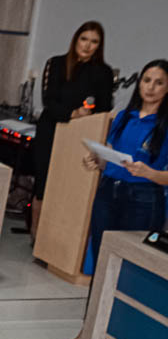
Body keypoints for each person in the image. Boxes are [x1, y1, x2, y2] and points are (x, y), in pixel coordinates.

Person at [66, 59, 168, 339]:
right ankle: (90, 329)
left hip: (144, 199)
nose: (150, 87)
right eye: (146, 80)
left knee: (133, 268)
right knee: (102, 264)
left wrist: (149, 173)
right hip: (109, 193)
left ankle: (122, 335)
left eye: (159, 82)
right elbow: (111, 157)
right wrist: (96, 160)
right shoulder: (124, 116)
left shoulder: (165, 125)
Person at [30, 21, 113, 237]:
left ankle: (57, 237)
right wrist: (72, 113)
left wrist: (87, 114)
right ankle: (36, 233)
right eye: (84, 39)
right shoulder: (57, 63)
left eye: (94, 42)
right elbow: (49, 100)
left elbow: (105, 106)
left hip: (80, 135)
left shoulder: (103, 72)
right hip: (52, 129)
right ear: (76, 39)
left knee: (67, 186)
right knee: (44, 183)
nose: (87, 46)